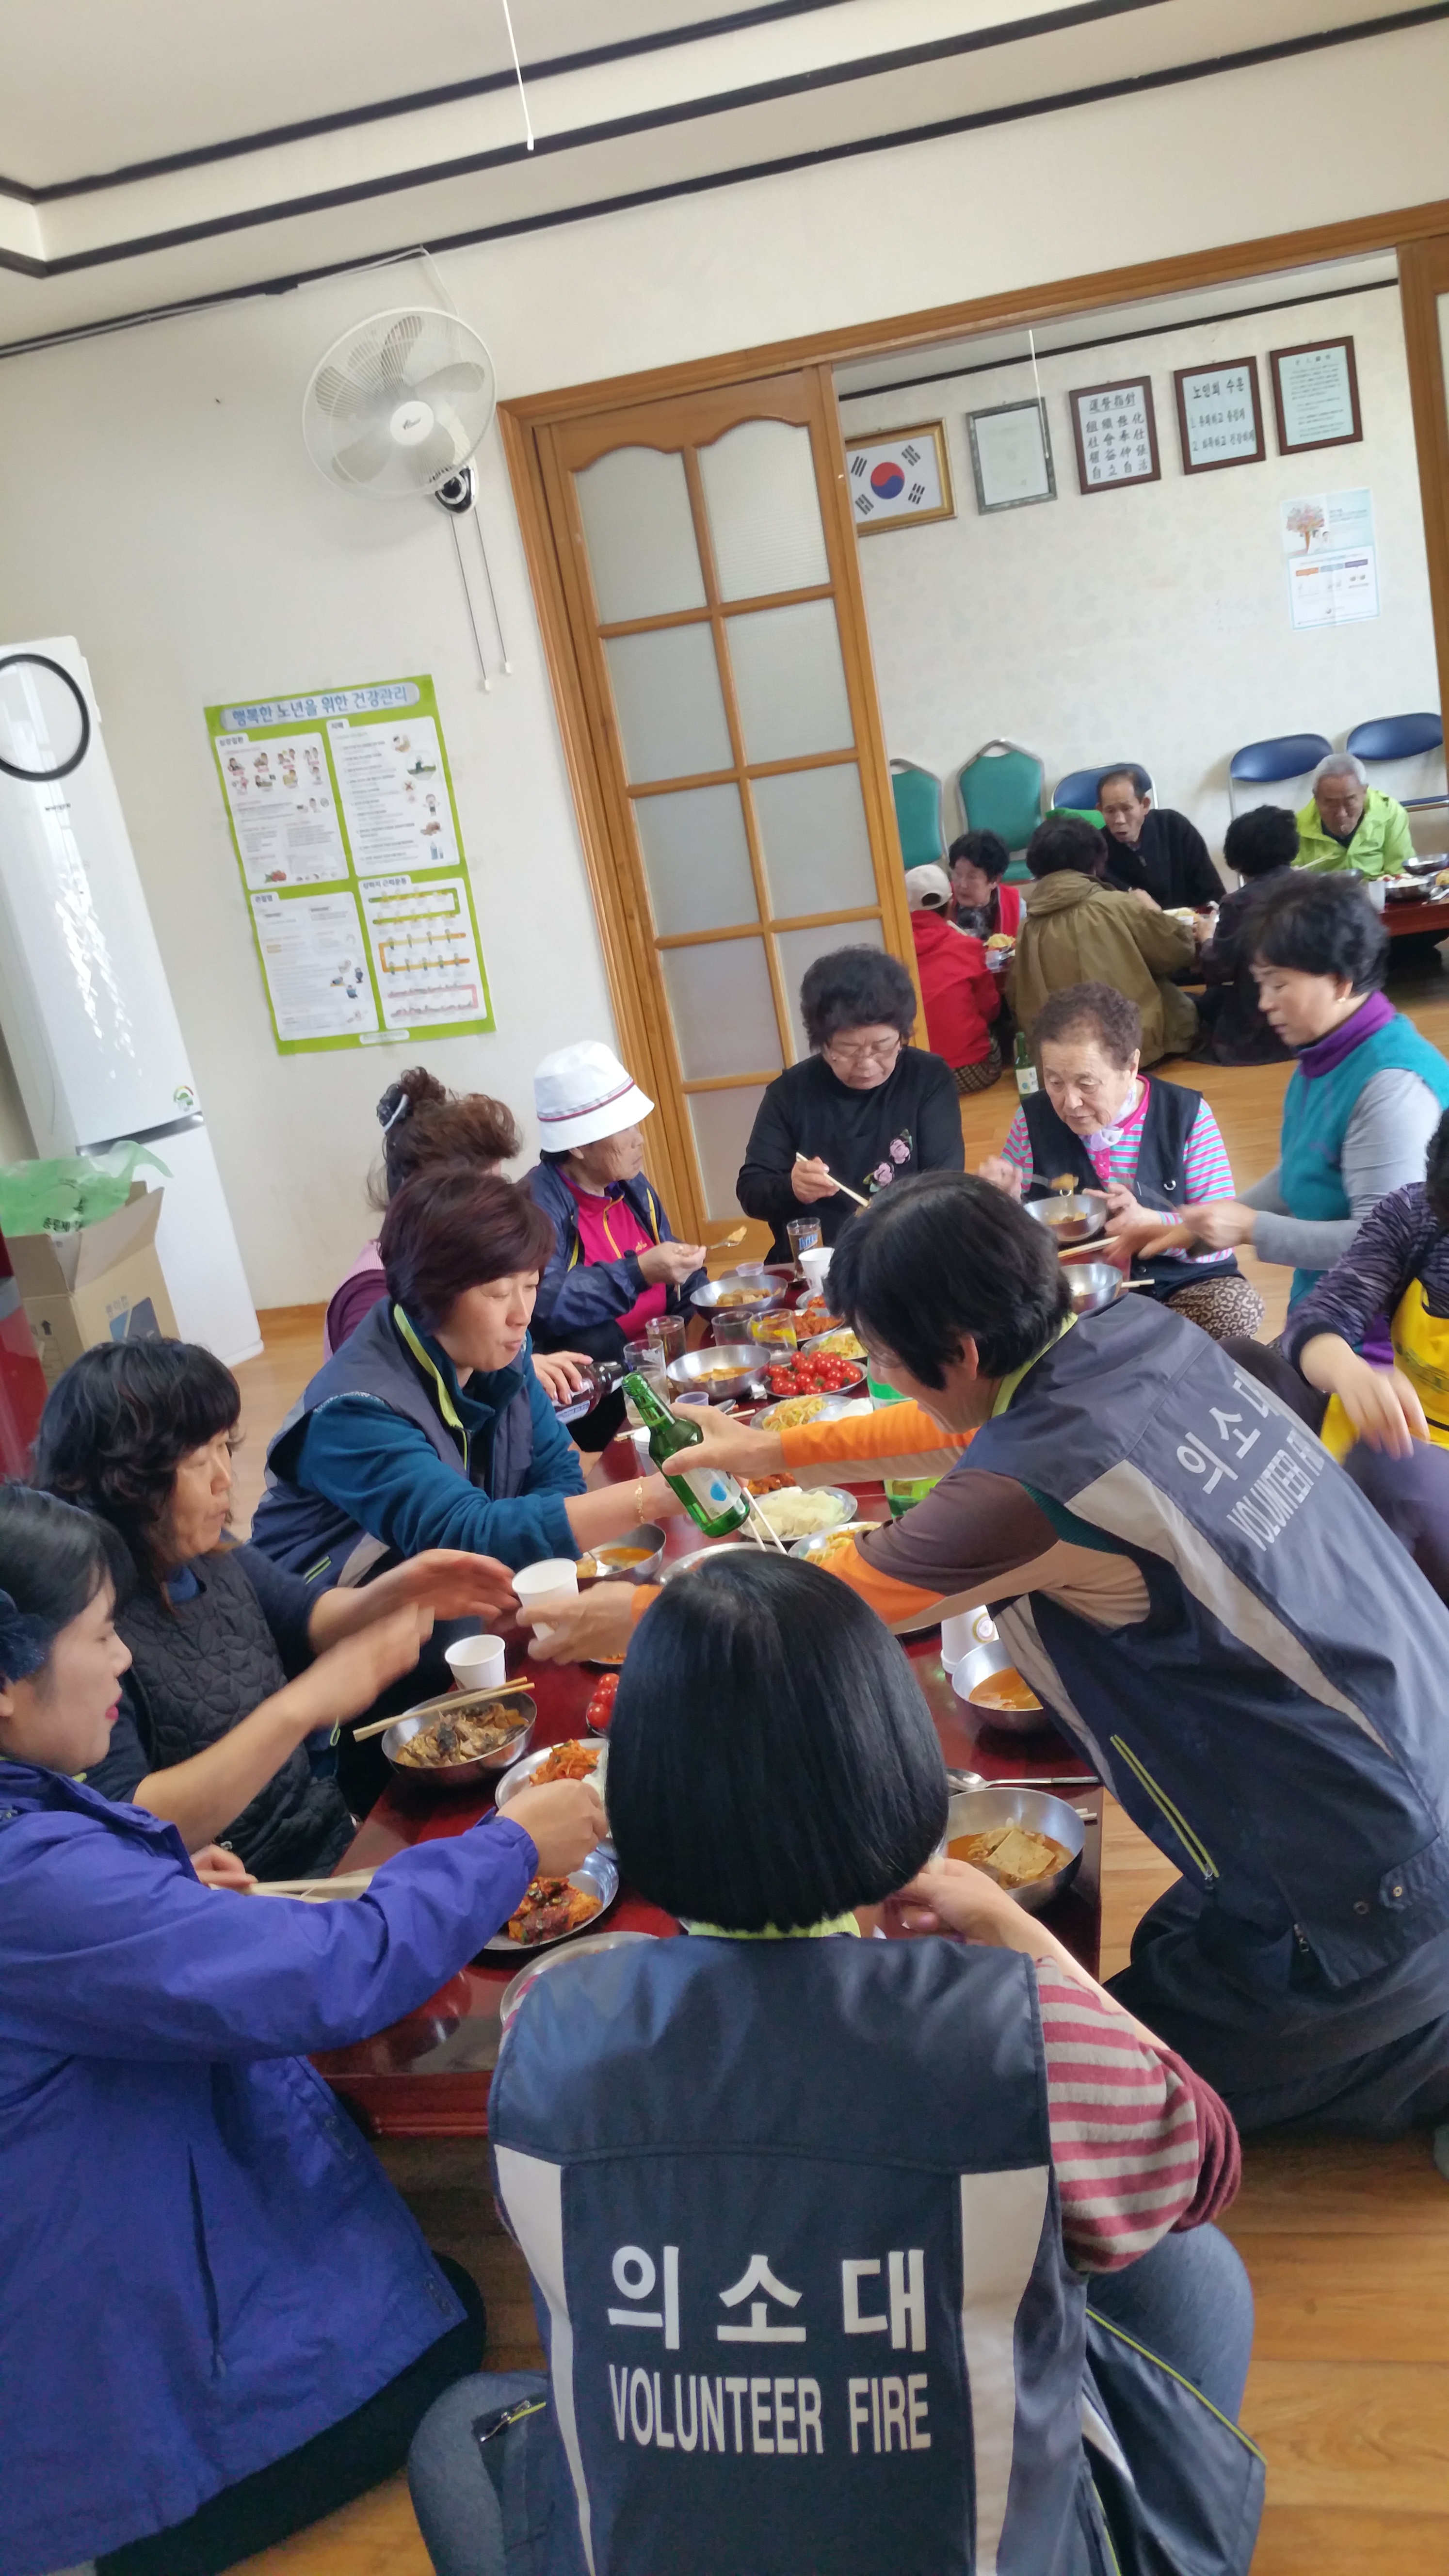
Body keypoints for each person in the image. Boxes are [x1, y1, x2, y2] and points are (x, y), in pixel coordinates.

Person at [536, 1175, 1449, 2141]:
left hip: (1385, 1859)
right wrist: (771, 1451)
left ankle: (1420, 2049)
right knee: (1165, 1951)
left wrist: (629, 1615)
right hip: (1411, 1737)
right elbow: (968, 1426)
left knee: (1115, 2098)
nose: (885, 1375)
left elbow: (806, 1613)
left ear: (962, 1350)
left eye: (887, 1359)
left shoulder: (1034, 1486)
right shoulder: (1139, 1336)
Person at [411, 1553, 1259, 2576]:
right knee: (1191, 2276)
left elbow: (549, 2242)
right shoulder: (1025, 2034)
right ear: (890, 1770)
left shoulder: (545, 2032)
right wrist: (1015, 1930)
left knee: (457, 2425)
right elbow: (1205, 2156)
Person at [0, 1481, 605, 2576]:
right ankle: (128, 2534)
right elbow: (336, 1972)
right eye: (97, 1636)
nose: (122, 1658)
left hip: (102, 2237)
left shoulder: (35, 1814)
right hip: (87, 2375)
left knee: (416, 2276)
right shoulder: (28, 1879)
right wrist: (513, 1843)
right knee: (452, 2330)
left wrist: (154, 1889)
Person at [33, 1339, 521, 1873]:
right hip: (245, 1882)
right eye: (198, 1460)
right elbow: (131, 1818)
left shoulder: (206, 1551)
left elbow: (303, 1614)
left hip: (323, 1831)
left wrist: (399, 1591)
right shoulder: (86, 1631)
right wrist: (307, 1702)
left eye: (224, 1447)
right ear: (125, 1483)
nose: (224, 1477)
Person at [251, 1161, 691, 1599]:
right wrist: (651, 1495)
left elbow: (556, 1469)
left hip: (455, 1598)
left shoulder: (501, 1351)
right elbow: (463, 1538)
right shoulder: (355, 1410)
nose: (522, 1315)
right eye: (498, 1293)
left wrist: (531, 1559)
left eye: (531, 1285)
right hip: (341, 1612)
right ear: (431, 1292)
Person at [1150, 874, 1449, 1311]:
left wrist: (1250, 1228)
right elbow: (1302, 1170)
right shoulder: (1326, 1053)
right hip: (1329, 1306)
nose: (1265, 1002)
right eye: (1261, 984)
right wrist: (1199, 1225)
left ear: (1341, 981)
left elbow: (1389, 1244)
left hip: (1384, 1327)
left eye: (1278, 984)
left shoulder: (1394, 1087)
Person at [977, 982, 1263, 1341]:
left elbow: (1222, 1237)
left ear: (1131, 1066)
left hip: (1174, 1285)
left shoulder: (1186, 1116)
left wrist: (1155, 1224)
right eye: (1054, 1082)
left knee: (1236, 1308)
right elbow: (1012, 1243)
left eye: (1087, 1084)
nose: (1070, 1102)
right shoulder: (1031, 1120)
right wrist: (1002, 1203)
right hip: (1077, 1293)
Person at [323, 1071, 592, 1415]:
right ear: (426, 1195)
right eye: (482, 1192)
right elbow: (388, 1401)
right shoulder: (370, 1292)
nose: (500, 1204)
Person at [736, 946, 964, 1258]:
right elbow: (752, 1191)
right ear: (822, 1043)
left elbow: (945, 1182)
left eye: (882, 1047)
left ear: (902, 1037)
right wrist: (793, 1188)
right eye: (847, 1050)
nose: (867, 1064)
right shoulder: (790, 1093)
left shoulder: (927, 1078)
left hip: (907, 1253)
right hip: (815, 1261)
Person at [524, 1039, 707, 1404]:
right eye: (624, 1129)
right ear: (578, 1146)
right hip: (603, 1385)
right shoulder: (533, 1204)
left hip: (663, 1359)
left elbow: (673, 1269)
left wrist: (702, 1290)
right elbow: (541, 1303)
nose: (640, 1140)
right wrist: (638, 1273)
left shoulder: (629, 1185)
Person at [1010, 816, 1198, 1065]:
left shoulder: (1027, 927)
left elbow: (1015, 995)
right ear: (1096, 863)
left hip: (1057, 1060)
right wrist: (1153, 911)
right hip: (1132, 1049)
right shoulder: (1116, 905)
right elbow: (1178, 952)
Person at [1193, 806, 1298, 1066]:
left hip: (1259, 1027)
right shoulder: (1316, 889)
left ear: (1238, 859)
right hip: (1311, 1019)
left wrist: (1207, 938)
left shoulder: (1239, 904)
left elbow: (1219, 969)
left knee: (1197, 1004)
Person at [904, 862, 1002, 1093]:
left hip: (914, 1078)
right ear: (951, 905)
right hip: (972, 1071)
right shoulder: (967, 946)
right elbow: (990, 1009)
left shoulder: (890, 948)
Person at [1096, 766, 1223, 912]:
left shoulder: (1175, 827)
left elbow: (1213, 892)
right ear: (1100, 810)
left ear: (1144, 805)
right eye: (1110, 811)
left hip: (1194, 919)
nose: (1120, 820)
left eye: (1126, 809)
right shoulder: (1096, 850)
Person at [1295, 750, 1413, 883]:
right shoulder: (1298, 827)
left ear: (1364, 792)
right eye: (1331, 804)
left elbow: (1400, 873)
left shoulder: (1390, 813)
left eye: (1349, 802)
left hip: (1380, 892)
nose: (1341, 814)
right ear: (1316, 798)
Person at [947, 826, 1022, 942]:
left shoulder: (1016, 906)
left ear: (995, 880)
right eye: (958, 874)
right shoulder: (942, 901)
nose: (962, 885)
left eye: (972, 877)